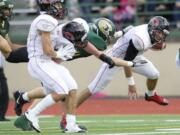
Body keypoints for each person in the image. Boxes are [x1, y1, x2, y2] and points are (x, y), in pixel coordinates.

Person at [58, 16, 170, 128]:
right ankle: (66, 118)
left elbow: (149, 44)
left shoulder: (148, 33)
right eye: (159, 33)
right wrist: (131, 83)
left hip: (133, 56)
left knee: (154, 74)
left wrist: (160, 46)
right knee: (93, 88)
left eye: (162, 34)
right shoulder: (140, 38)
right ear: (152, 29)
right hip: (115, 58)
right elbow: (127, 61)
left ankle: (150, 95)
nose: (161, 36)